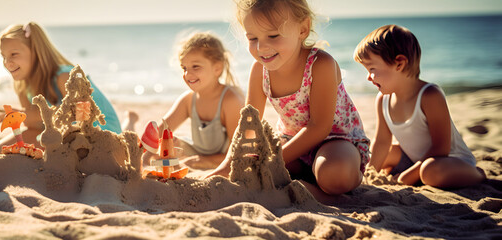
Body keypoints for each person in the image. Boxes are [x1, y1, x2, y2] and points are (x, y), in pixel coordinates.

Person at [207, 0, 370, 200]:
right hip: (291, 143)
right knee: (254, 161)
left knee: (335, 175)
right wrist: (228, 165)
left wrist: (273, 161)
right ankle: (307, 183)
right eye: (252, 38)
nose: (261, 47)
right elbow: (249, 124)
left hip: (336, 141)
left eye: (273, 36)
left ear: (303, 29)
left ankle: (344, 179)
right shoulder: (259, 70)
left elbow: (319, 127)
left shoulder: (321, 64)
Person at [354, 25, 485, 188]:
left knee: (430, 172)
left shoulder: (429, 95)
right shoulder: (383, 99)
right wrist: (369, 174)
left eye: (372, 69)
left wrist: (405, 177)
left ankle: (477, 175)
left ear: (399, 64)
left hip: (449, 161)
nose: (368, 77)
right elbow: (381, 142)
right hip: (414, 158)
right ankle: (411, 172)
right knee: (384, 154)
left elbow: (441, 148)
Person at [0, 22, 121, 151]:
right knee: (0, 149)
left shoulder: (64, 77)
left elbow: (84, 115)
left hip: (98, 133)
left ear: (36, 52)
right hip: (64, 134)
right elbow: (35, 127)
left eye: (13, 54)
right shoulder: (22, 86)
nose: (7, 63)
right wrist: (21, 117)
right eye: (3, 57)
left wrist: (33, 114)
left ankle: (130, 121)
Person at [145, 32, 244, 169]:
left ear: (217, 68)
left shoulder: (230, 101)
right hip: (198, 151)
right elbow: (160, 131)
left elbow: (238, 153)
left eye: (195, 66)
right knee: (167, 145)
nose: (187, 74)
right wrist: (144, 158)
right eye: (184, 68)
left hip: (225, 156)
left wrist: (202, 161)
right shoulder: (188, 100)